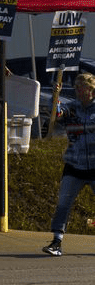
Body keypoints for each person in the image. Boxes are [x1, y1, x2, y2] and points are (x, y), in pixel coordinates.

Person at [43, 72, 95, 257]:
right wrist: (55, 97)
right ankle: (56, 241)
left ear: (92, 89)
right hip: (74, 165)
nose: (80, 91)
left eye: (83, 87)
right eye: (77, 88)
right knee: (64, 203)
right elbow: (58, 114)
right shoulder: (72, 108)